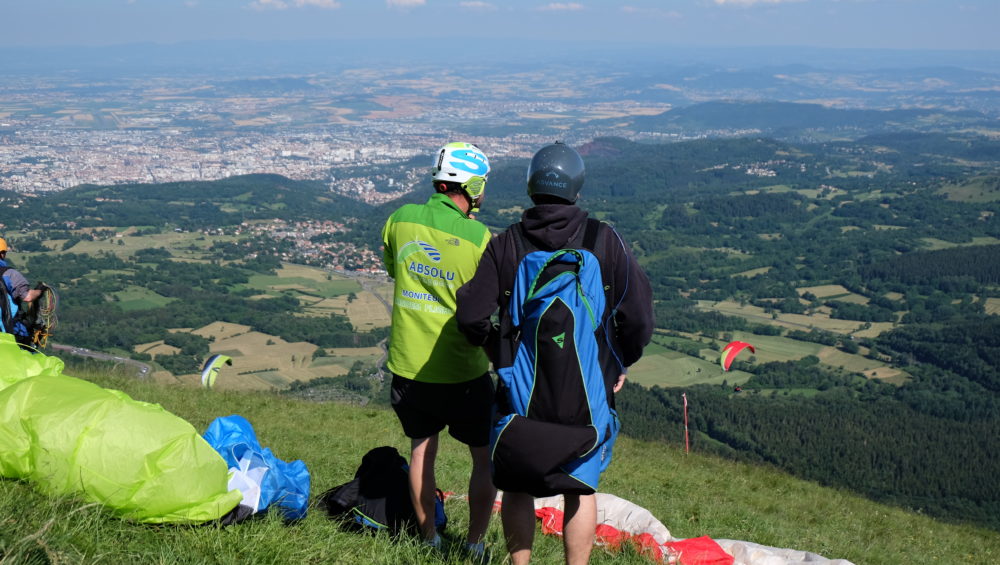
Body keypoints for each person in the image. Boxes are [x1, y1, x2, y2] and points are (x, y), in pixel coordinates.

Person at [455, 142, 654, 565]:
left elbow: (471, 314)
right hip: (587, 391)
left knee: (517, 483)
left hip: (520, 391)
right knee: (580, 488)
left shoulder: (507, 243)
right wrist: (619, 361)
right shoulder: (605, 240)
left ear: (530, 186)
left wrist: (497, 348)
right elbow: (638, 317)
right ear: (576, 188)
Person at [380, 142, 497, 560]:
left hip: (409, 367)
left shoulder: (400, 219)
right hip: (464, 372)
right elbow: (486, 304)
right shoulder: (481, 238)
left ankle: (429, 539)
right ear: (473, 184)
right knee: (483, 458)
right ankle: (475, 544)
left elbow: (395, 268)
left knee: (420, 451)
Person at [0, 237, 41, 347]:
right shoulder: (9, 274)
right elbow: (27, 297)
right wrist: (40, 291)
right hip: (9, 332)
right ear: (2, 253)